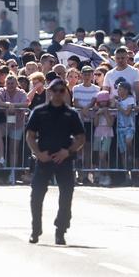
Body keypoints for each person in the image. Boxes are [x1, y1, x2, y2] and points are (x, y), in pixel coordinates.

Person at [24, 80, 85, 245]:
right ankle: (36, 229)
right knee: (36, 194)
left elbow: (81, 138)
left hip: (64, 159)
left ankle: (61, 229)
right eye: (55, 90)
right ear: (49, 91)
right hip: (45, 158)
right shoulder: (40, 112)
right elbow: (30, 135)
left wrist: (69, 151)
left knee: (66, 194)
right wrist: (37, 153)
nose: (58, 94)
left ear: (65, 92)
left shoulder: (71, 114)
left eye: (61, 91)